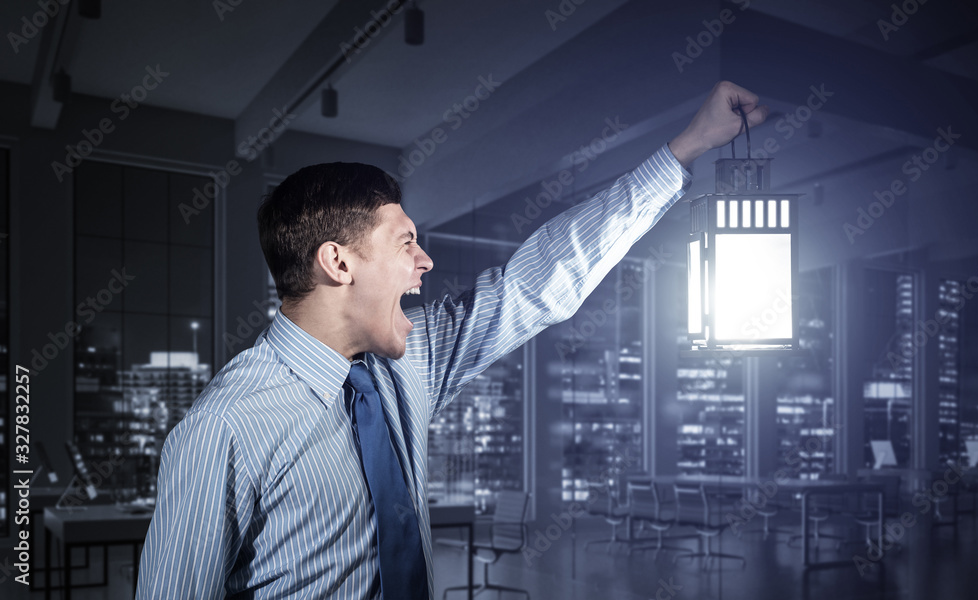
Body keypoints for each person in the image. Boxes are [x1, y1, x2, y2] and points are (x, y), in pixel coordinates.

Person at [136, 80, 768, 599]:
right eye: (406, 241)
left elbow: (535, 283)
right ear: (338, 263)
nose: (425, 262)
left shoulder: (410, 366)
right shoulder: (222, 428)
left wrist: (684, 150)